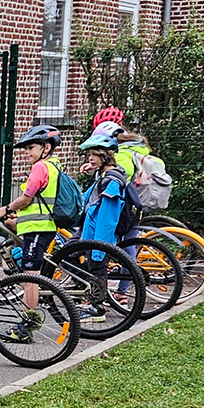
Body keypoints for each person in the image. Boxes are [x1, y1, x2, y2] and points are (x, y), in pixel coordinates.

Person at [0, 124, 64, 343]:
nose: (26, 152)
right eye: (25, 148)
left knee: (30, 278)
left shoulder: (40, 167)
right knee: (31, 275)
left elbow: (27, 198)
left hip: (38, 228)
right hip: (42, 226)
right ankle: (26, 321)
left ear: (46, 147)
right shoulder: (54, 164)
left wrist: (6, 209)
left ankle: (26, 326)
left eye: (31, 147)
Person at [75, 130, 127, 319]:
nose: (90, 158)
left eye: (94, 155)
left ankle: (97, 308)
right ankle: (84, 292)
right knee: (67, 255)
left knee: (97, 267)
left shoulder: (111, 181)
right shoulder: (103, 176)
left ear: (106, 157)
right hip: (87, 229)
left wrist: (100, 245)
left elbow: (107, 216)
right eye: (89, 155)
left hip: (97, 233)